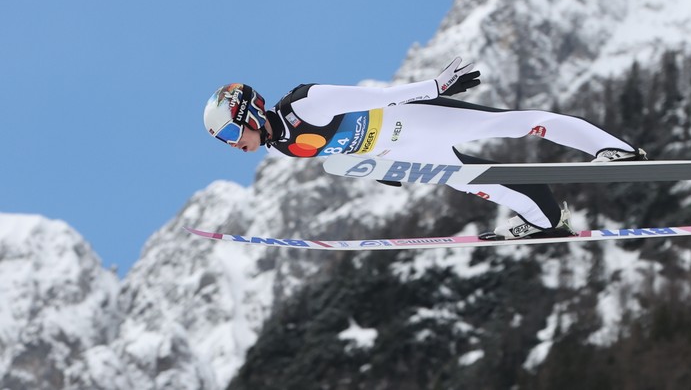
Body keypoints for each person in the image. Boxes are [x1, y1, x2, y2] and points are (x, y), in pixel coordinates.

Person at [203, 58, 646, 240]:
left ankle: (617, 151)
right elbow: (343, 154)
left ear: (248, 113)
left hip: (414, 118)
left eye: (230, 136)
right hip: (408, 150)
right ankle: (546, 220)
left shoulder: (306, 102)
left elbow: (378, 97)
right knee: (480, 184)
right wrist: (382, 171)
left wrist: (437, 86)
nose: (235, 147)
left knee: (519, 123)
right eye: (225, 143)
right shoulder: (286, 149)